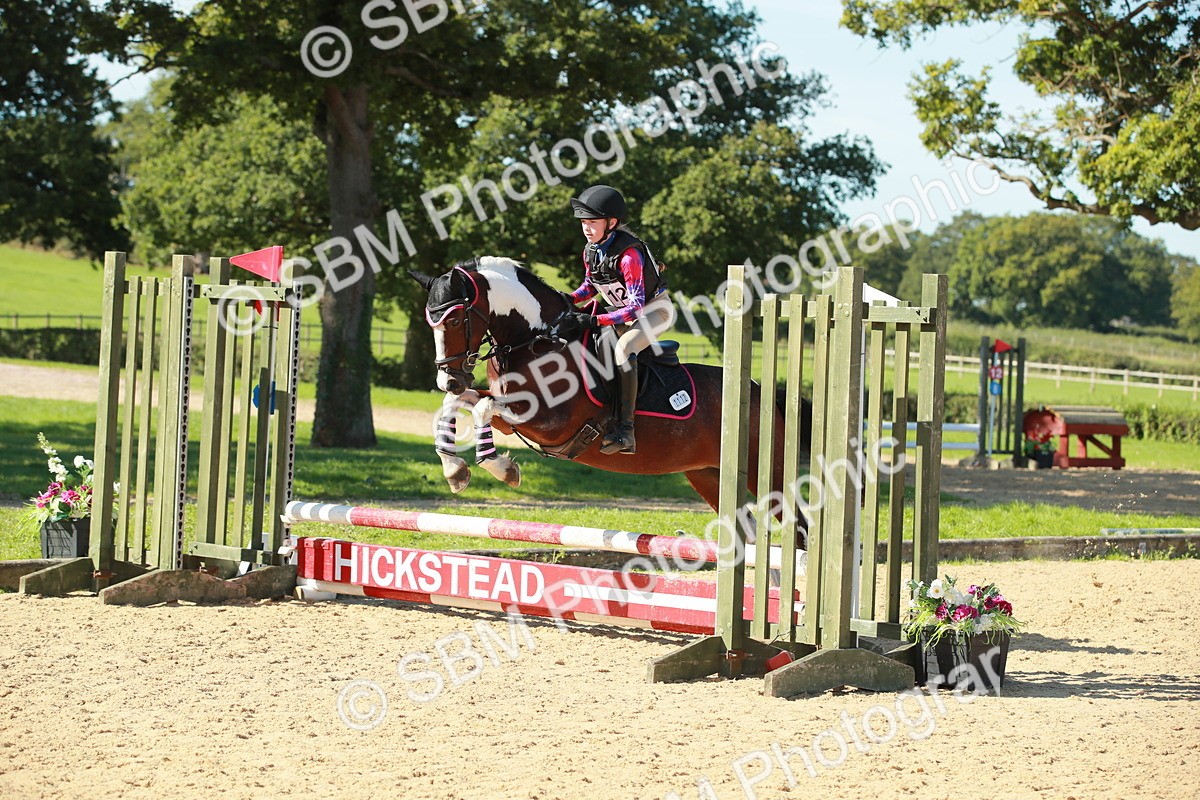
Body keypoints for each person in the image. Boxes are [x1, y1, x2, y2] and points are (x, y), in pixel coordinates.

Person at [555, 184, 674, 455]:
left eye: (592, 222)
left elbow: (634, 309)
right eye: (583, 222)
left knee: (624, 348)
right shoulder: (591, 250)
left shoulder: (629, 256)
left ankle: (626, 431)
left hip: (653, 311)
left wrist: (595, 321)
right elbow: (589, 286)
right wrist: (566, 298)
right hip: (619, 312)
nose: (586, 227)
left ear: (611, 222)